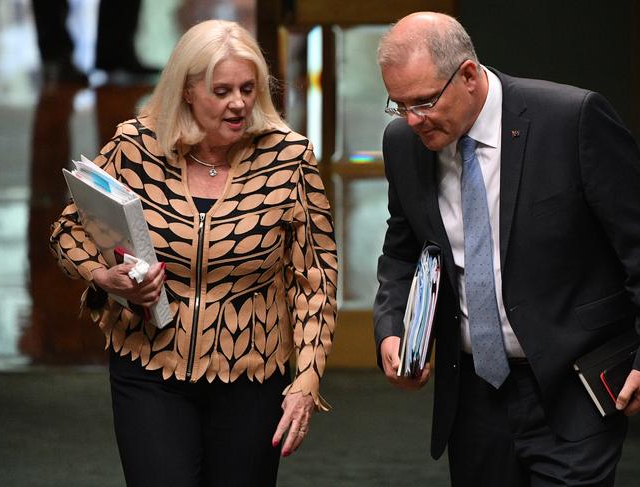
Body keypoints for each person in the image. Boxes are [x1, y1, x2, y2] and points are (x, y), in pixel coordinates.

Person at [49, 19, 337, 487]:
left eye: (248, 88)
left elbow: (316, 279)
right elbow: (68, 230)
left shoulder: (289, 158)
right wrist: (103, 278)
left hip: (251, 371)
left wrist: (306, 380)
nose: (239, 103)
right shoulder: (135, 146)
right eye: (221, 91)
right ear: (186, 91)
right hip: (149, 364)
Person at [373, 11, 640, 487]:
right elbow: (401, 251)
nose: (413, 120)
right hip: (475, 395)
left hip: (573, 383)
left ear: (469, 75)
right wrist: (392, 328)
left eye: (424, 102)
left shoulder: (570, 120)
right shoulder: (403, 144)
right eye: (399, 106)